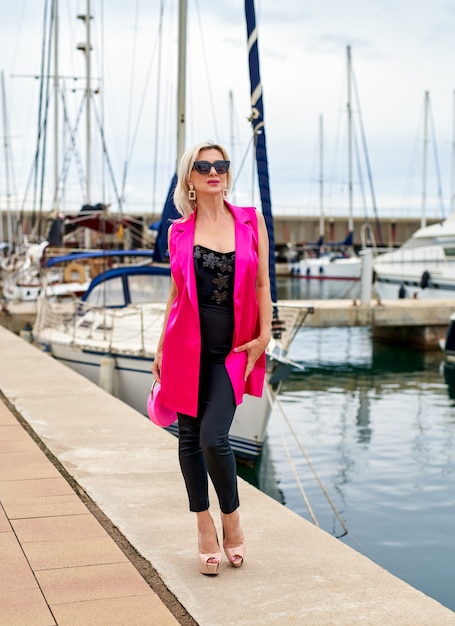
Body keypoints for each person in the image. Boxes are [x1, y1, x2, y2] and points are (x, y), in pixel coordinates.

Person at [152, 141, 272, 575]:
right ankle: (204, 526)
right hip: (186, 348)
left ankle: (231, 517)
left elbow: (261, 285)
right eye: (203, 166)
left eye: (221, 164)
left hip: (232, 351)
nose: (214, 171)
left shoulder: (249, 220)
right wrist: (162, 347)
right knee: (188, 438)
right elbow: (175, 293)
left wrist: (265, 335)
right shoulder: (178, 230)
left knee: (213, 438)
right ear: (190, 177)